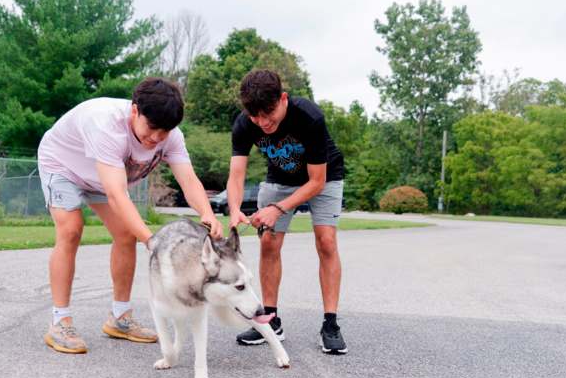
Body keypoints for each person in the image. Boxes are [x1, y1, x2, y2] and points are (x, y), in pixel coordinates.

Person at [38, 77, 223, 354]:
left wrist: (208, 213)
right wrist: (152, 241)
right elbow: (117, 195)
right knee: (71, 229)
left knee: (125, 233)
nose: (157, 138)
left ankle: (120, 318)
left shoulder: (171, 137)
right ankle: (60, 322)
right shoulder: (106, 126)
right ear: (135, 111)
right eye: (152, 127)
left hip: (103, 176)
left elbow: (188, 180)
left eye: (165, 131)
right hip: (64, 165)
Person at [226, 69, 348, 353]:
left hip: (325, 177)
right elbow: (236, 175)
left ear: (283, 99)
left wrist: (278, 209)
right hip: (279, 179)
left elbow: (316, 182)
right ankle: (271, 320)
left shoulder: (309, 116)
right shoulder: (245, 124)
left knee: (326, 242)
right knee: (268, 242)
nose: (264, 123)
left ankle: (330, 323)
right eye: (256, 117)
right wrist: (234, 209)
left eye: (269, 114)